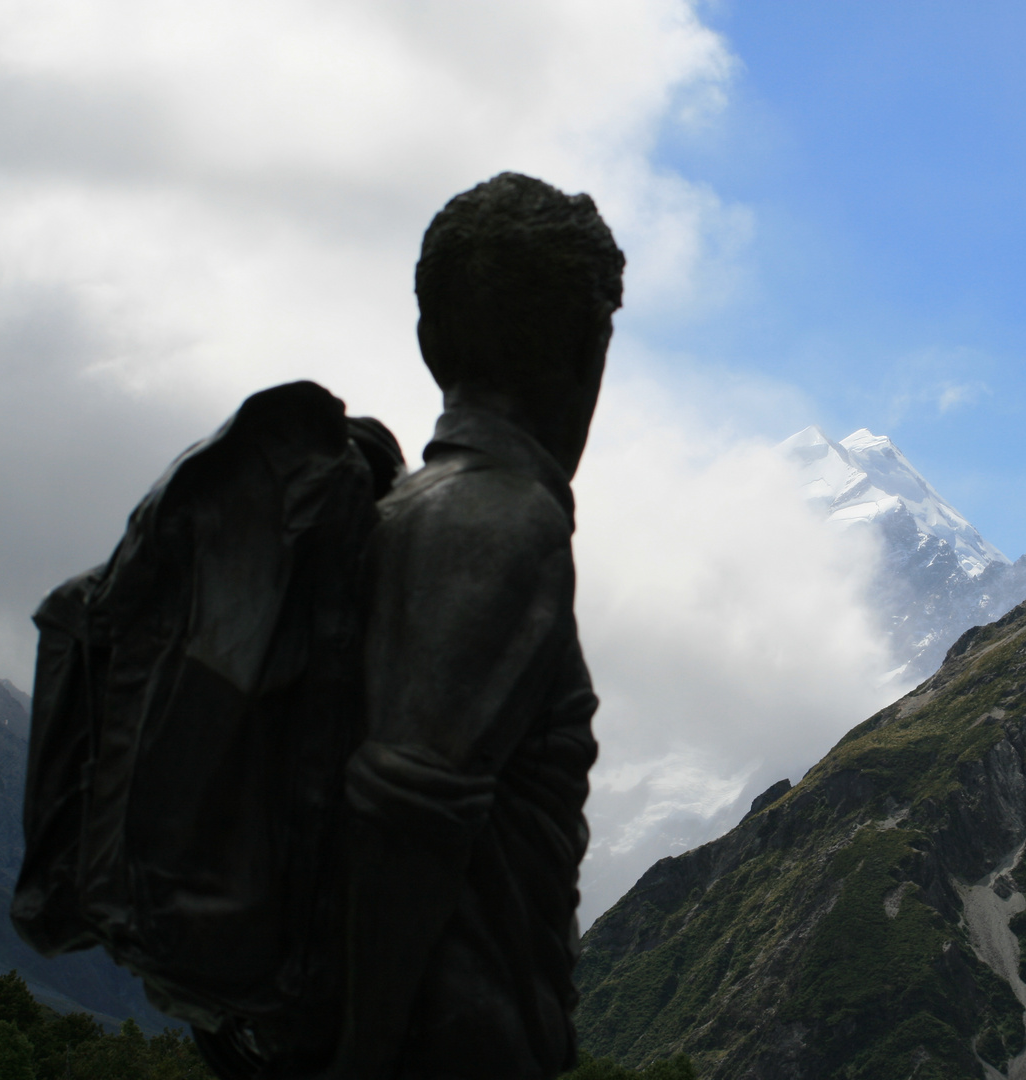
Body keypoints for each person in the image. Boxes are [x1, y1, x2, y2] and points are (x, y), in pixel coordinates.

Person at [332, 173, 623, 1080]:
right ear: (585, 348)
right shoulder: (507, 524)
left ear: (430, 341)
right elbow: (410, 821)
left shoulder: (399, 510)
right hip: (459, 1039)